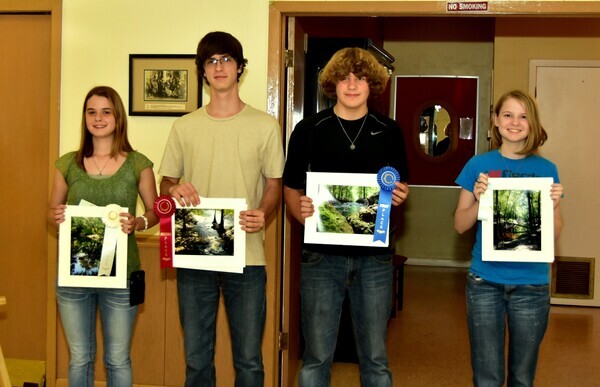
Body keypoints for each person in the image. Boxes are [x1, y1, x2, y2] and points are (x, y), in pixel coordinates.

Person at [158, 31, 284, 387]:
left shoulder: (265, 126)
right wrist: (174, 188)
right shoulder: (184, 127)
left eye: (226, 59)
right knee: (197, 360)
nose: (219, 67)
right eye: (211, 61)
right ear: (202, 70)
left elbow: (274, 185)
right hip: (195, 255)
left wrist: (264, 211)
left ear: (240, 67)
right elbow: (164, 184)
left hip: (248, 258)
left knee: (249, 362)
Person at [283, 47, 410, 386]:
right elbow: (291, 189)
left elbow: (399, 186)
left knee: (375, 360)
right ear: (332, 84)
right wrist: (301, 211)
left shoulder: (390, 130)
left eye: (361, 78)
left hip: (375, 260)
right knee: (316, 358)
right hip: (320, 259)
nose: (352, 85)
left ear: (373, 85)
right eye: (344, 78)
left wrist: (401, 193)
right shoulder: (309, 129)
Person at [47, 85, 159, 387]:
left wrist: (138, 222)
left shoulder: (139, 163)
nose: (98, 118)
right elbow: (51, 211)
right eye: (91, 112)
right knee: (79, 357)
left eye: (106, 111)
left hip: (122, 276)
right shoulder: (67, 163)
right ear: (85, 117)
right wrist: (56, 216)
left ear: (118, 117)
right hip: (75, 275)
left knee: (117, 359)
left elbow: (155, 211)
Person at [454, 90, 564, 386]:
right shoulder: (477, 165)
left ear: (533, 123)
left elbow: (553, 234)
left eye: (523, 116)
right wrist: (478, 200)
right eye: (508, 115)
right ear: (496, 121)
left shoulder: (547, 170)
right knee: (487, 376)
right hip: (484, 282)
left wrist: (551, 206)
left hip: (532, 285)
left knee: (523, 376)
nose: (515, 122)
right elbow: (460, 224)